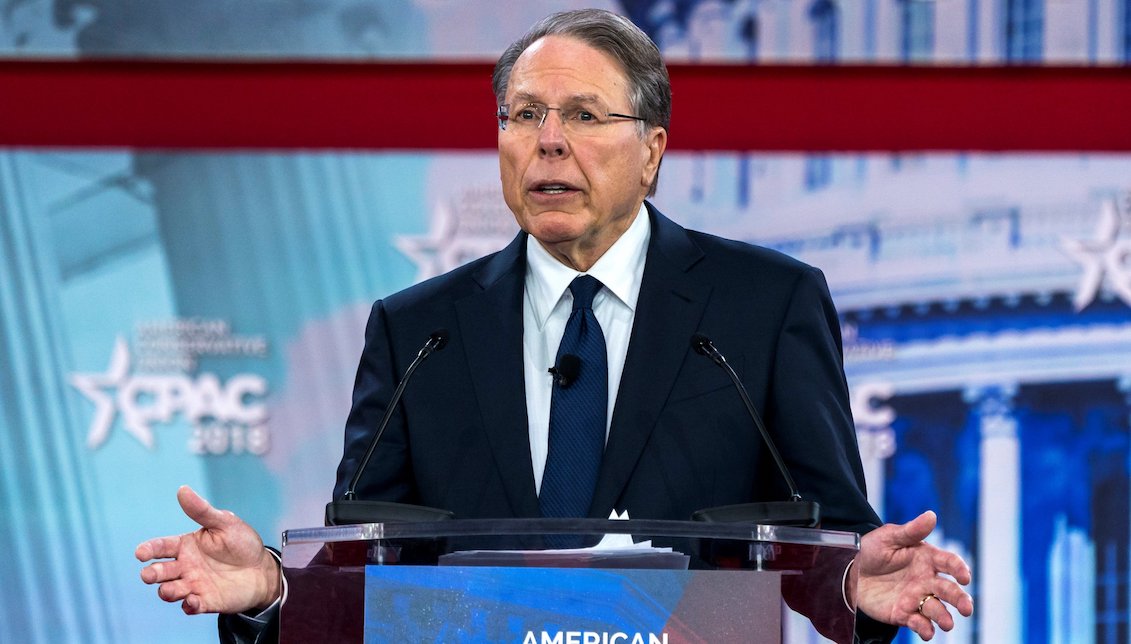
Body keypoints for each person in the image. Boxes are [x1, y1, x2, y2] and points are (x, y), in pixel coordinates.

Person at [137, 9, 972, 642]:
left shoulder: (763, 305)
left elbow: (821, 532)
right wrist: (273, 590)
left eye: (581, 115)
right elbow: (368, 565)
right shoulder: (419, 329)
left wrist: (858, 588)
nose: (547, 143)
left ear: (650, 149)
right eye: (522, 115)